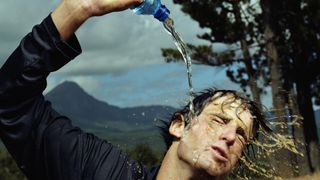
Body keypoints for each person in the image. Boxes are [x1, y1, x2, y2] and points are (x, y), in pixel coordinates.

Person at [0, 0, 270, 179]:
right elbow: (11, 102)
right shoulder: (104, 172)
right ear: (179, 125)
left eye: (242, 134)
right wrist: (80, 7)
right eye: (219, 119)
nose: (229, 136)